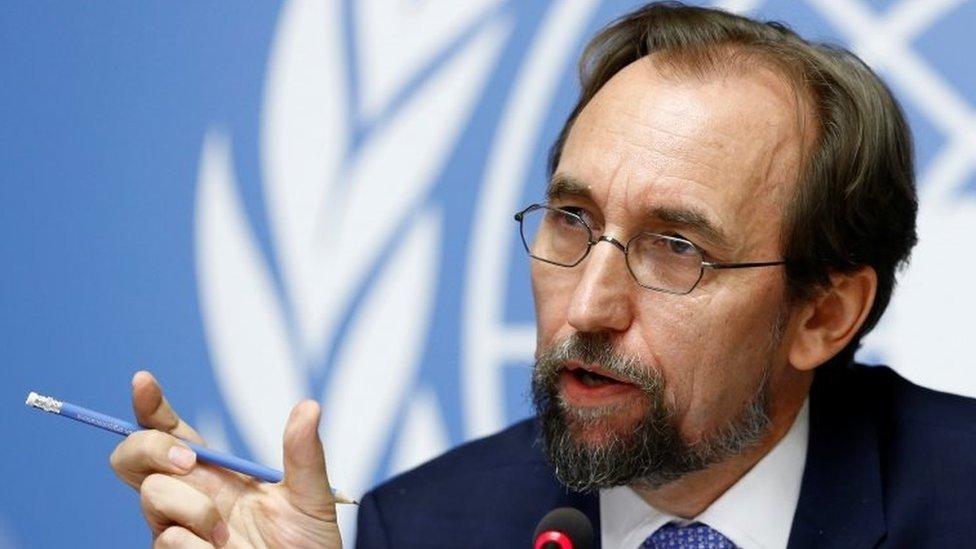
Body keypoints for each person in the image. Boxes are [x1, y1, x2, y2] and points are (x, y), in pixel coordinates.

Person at [109, 2, 976, 547]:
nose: (589, 305)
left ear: (824, 314)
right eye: (573, 220)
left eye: (676, 247)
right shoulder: (425, 529)